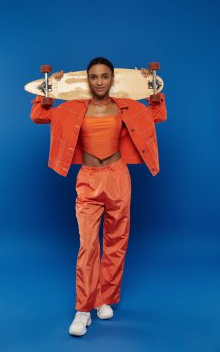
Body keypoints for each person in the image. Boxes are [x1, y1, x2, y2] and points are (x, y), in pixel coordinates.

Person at [30, 57, 167, 336]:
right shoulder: (74, 108)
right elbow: (39, 116)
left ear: (112, 79)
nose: (100, 82)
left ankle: (104, 297)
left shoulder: (126, 106)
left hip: (118, 177)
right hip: (88, 180)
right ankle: (83, 309)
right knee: (88, 245)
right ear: (88, 80)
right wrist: (51, 88)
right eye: (94, 77)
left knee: (116, 241)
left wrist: (148, 84)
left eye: (105, 76)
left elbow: (158, 114)